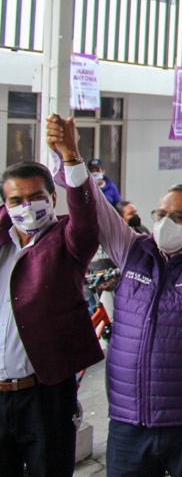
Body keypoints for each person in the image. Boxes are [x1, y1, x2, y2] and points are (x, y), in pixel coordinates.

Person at [61, 120, 182, 476]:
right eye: (161, 214)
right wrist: (72, 159)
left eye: (178, 216)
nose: (165, 222)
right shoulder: (133, 250)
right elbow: (97, 213)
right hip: (129, 419)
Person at [0, 116, 101, 476]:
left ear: (52, 197)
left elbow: (86, 218)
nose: (27, 207)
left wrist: (71, 157)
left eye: (36, 197)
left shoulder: (67, 242)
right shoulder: (2, 242)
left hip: (44, 394)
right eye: (17, 200)